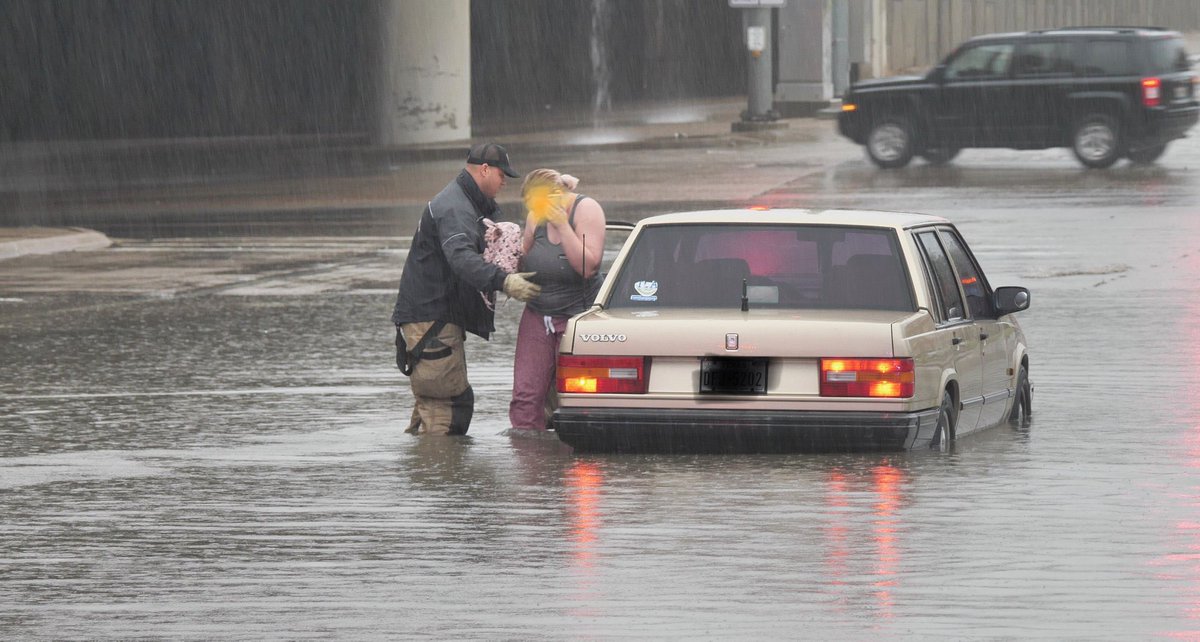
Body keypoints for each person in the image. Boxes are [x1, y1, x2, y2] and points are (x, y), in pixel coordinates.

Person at [392, 143, 541, 436]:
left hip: (431, 319)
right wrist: (504, 281)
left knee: (437, 405)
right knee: (449, 407)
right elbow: (461, 258)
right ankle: (442, 476)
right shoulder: (455, 208)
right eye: (501, 175)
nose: (503, 183)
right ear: (484, 170)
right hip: (430, 320)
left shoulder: (466, 202)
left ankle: (424, 472)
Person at [508, 168, 606, 432]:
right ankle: (530, 462)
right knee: (525, 397)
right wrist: (505, 251)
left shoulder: (587, 210)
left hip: (577, 315)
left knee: (575, 395)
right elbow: (521, 262)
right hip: (538, 314)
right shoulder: (533, 217)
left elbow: (588, 267)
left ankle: (576, 458)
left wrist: (562, 224)